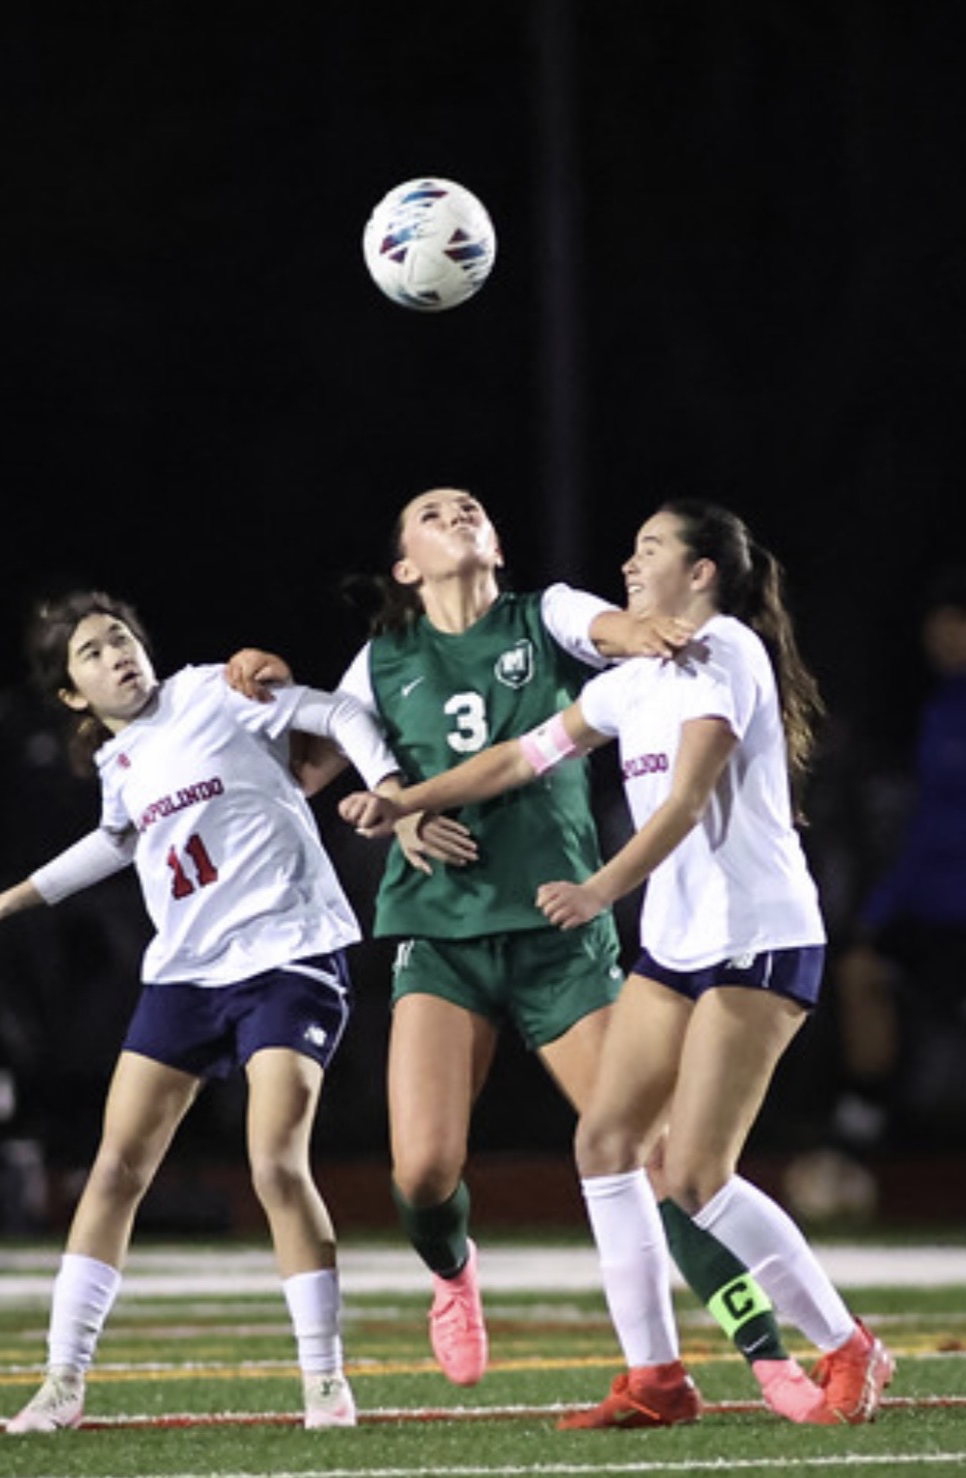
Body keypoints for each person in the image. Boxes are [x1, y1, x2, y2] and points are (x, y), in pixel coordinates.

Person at [227, 486, 812, 1410]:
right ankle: (454, 1273)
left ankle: (764, 1350)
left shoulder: (546, 616)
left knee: (651, 1157)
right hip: (441, 931)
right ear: (405, 567)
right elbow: (307, 771)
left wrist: (647, 631)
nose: (458, 514)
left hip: (559, 934)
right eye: (431, 513)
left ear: (495, 543)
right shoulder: (383, 661)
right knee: (421, 1169)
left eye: (471, 507)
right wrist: (262, 687)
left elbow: (613, 629)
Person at [340, 499, 896, 1427]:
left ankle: (846, 1345)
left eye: (649, 549)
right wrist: (402, 801)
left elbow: (685, 800)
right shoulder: (632, 682)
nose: (630, 563)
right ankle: (655, 1381)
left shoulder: (725, 653)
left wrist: (598, 890)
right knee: (605, 1146)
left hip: (752, 939)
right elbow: (519, 757)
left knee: (695, 1175)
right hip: (674, 947)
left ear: (704, 571)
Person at [0, 590, 403, 1434]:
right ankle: (62, 1385)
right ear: (73, 695)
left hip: (288, 954)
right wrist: (5, 903)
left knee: (275, 1166)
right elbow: (115, 840)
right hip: (186, 973)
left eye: (121, 639)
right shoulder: (118, 761)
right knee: (115, 1170)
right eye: (93, 654)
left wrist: (390, 785)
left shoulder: (214, 689)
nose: (117, 656)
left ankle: (325, 1383)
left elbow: (335, 713)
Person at [829, 568, 966, 1153]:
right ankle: (863, 1123)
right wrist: (885, 906)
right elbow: (930, 825)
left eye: (954, 626)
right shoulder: (939, 710)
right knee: (861, 969)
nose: (941, 638)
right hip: (933, 901)